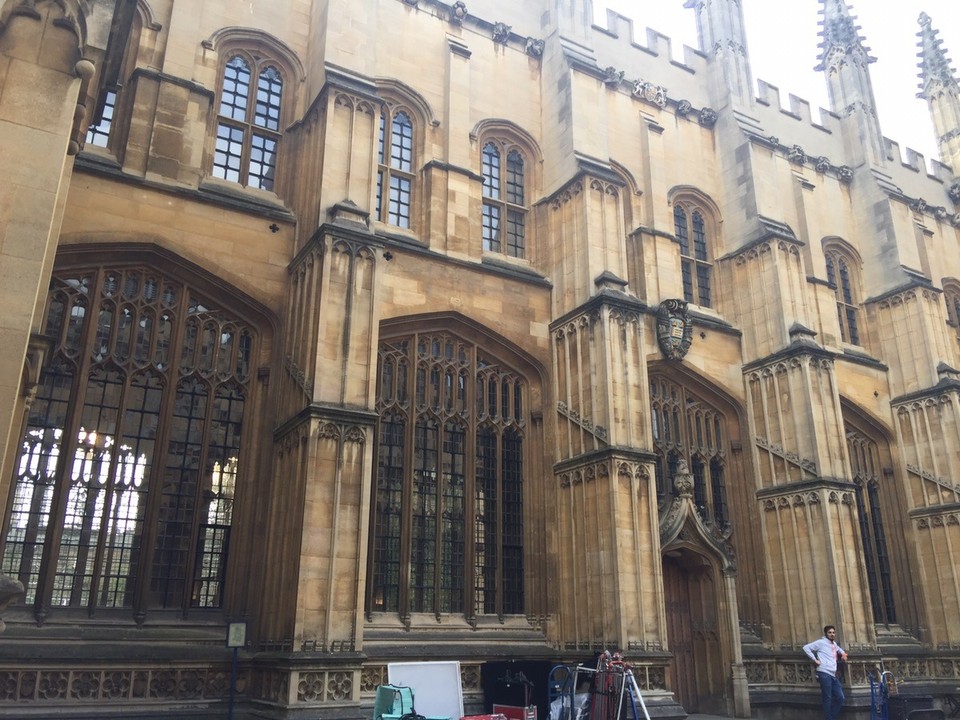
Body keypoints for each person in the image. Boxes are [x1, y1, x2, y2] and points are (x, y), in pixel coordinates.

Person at [803, 625, 849, 720]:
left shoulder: (834, 644)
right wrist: (814, 659)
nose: (832, 634)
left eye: (833, 632)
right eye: (830, 632)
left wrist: (843, 654)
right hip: (824, 673)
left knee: (840, 697)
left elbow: (839, 649)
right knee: (827, 698)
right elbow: (806, 648)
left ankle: (831, 717)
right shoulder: (821, 642)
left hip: (833, 674)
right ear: (826, 633)